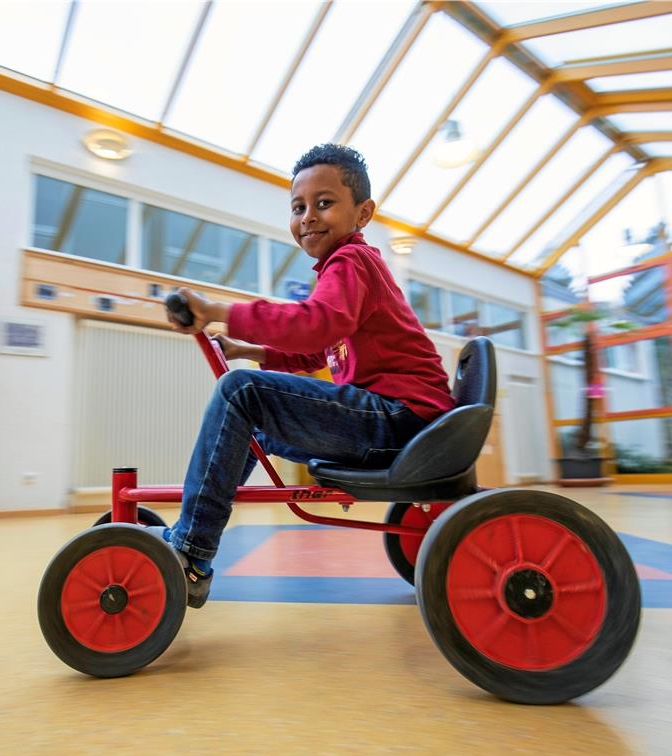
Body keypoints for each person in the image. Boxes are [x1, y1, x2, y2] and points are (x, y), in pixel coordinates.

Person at [159, 144, 455, 608]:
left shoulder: (352, 263)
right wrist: (248, 349)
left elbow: (316, 324)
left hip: (401, 417)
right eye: (298, 208)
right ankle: (193, 535)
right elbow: (319, 348)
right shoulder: (346, 271)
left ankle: (191, 551)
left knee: (241, 391)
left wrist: (220, 311)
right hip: (398, 418)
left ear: (363, 213)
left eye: (324, 203)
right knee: (254, 420)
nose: (308, 217)